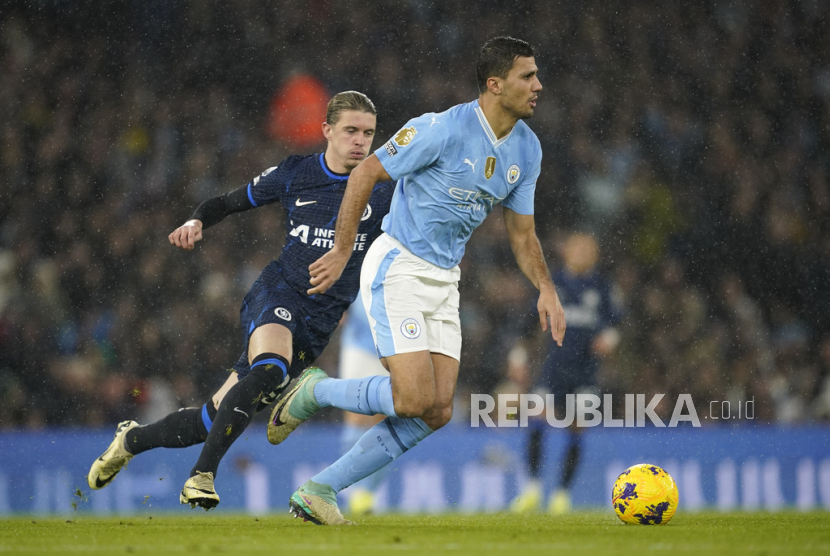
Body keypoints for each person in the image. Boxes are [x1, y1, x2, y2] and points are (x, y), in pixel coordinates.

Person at [266, 36, 567, 525]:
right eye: (527, 76)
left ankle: (319, 489)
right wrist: (343, 250)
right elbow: (364, 174)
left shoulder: (527, 150)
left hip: (445, 279)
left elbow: (522, 232)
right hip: (399, 265)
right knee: (410, 397)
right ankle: (314, 392)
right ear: (495, 84)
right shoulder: (439, 129)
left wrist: (547, 287)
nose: (538, 85)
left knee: (436, 410)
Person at [87, 91, 394, 510]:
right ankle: (201, 476)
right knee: (270, 369)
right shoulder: (297, 173)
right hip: (279, 291)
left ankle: (131, 439)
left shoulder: (383, 192)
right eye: (351, 131)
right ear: (327, 131)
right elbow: (229, 202)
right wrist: (197, 219)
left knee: (208, 420)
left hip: (320, 323)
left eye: (369, 133)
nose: (360, 141)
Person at [510, 232, 622, 514]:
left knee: (577, 427)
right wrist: (519, 356)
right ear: (566, 252)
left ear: (595, 254)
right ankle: (533, 488)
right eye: (577, 248)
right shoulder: (552, 284)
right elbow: (527, 324)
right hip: (553, 368)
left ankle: (561, 495)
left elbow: (615, 323)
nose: (582, 253)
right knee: (537, 418)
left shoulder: (603, 287)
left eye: (588, 249)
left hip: (586, 371)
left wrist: (610, 338)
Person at [337, 296, 391, 515]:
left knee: (382, 421)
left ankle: (367, 493)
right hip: (358, 341)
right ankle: (356, 492)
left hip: (391, 345)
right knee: (356, 415)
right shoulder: (355, 260)